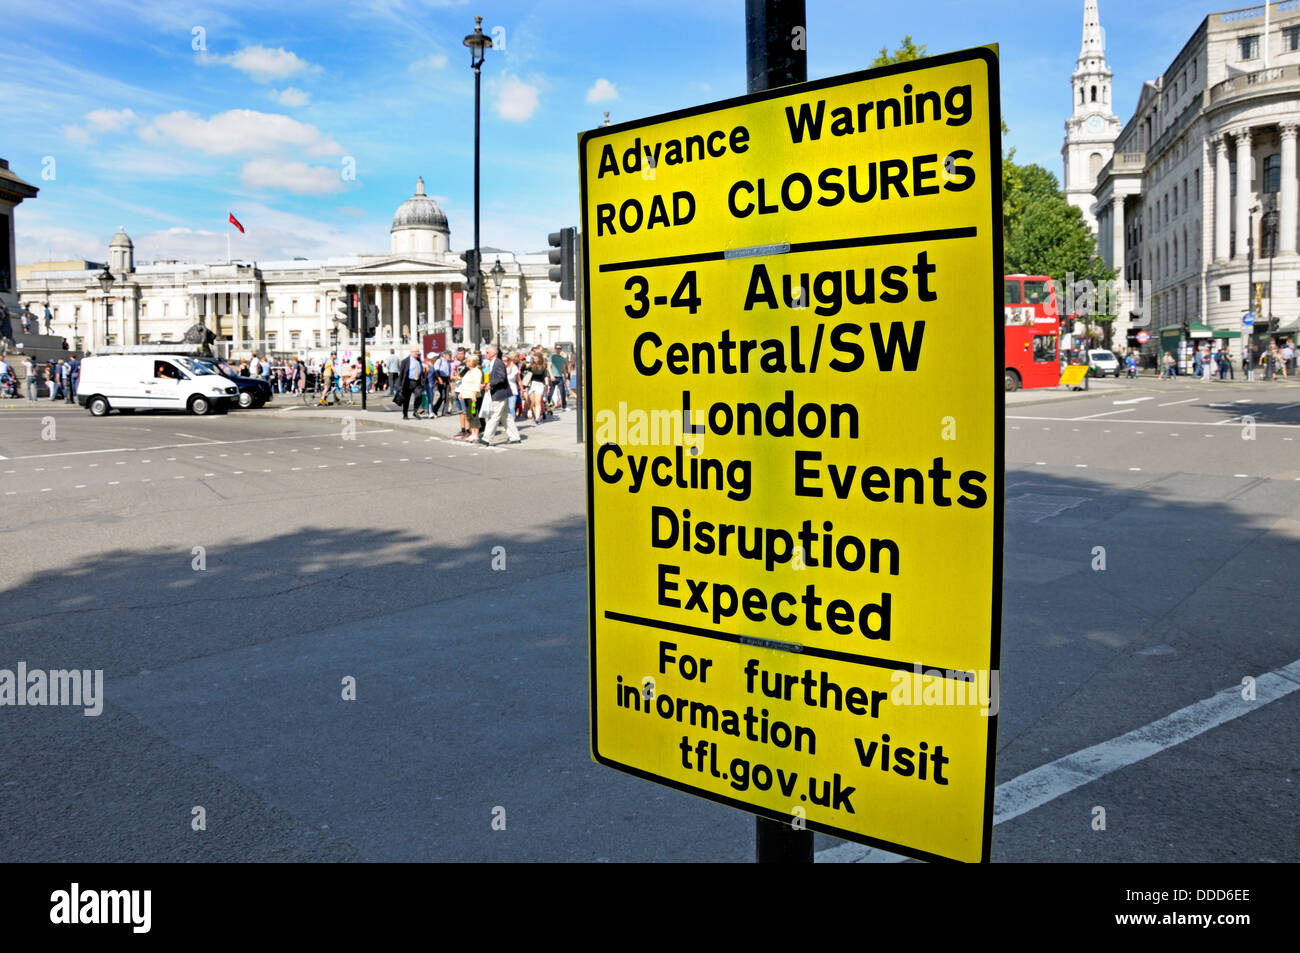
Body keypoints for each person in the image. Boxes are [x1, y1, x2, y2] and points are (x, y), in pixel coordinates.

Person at [480, 345, 521, 445]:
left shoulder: (497, 363)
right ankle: (515, 437)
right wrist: (486, 384)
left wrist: (489, 384)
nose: (486, 354)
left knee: (494, 415)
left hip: (499, 393)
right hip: (500, 393)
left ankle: (486, 438)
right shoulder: (494, 362)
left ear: (493, 353)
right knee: (506, 417)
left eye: (487, 352)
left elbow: (501, 378)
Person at [456, 355, 484, 440]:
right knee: (469, 415)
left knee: (474, 414)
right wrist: (461, 392)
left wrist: (474, 395)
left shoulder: (477, 371)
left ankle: (476, 434)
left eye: (468, 361)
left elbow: (477, 384)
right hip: (466, 396)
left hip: (473, 397)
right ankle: (472, 432)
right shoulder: (468, 371)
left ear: (472, 362)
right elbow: (464, 383)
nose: (466, 363)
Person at [397, 347, 424, 419]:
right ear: (412, 352)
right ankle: (405, 414)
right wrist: (399, 384)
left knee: (419, 396)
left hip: (417, 382)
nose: (418, 353)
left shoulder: (419, 361)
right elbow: (402, 373)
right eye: (416, 352)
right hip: (408, 382)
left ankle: (415, 411)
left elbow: (421, 373)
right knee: (406, 399)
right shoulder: (405, 361)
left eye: (418, 352)